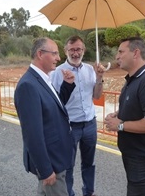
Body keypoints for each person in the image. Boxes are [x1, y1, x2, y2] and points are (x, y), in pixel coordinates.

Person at [104, 36, 145, 196]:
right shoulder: (134, 79)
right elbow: (137, 106)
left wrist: (120, 125)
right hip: (135, 154)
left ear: (136, 53)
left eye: (121, 52)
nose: (117, 57)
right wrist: (119, 114)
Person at [14, 37, 76, 196]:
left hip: (57, 155)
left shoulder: (43, 78)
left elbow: (54, 108)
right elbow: (32, 134)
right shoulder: (28, 85)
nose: (59, 58)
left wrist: (67, 86)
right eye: (54, 53)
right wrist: (45, 169)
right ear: (40, 54)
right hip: (51, 161)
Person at [50, 35, 105, 196]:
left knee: (89, 163)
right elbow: (55, 102)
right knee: (68, 165)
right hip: (69, 126)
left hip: (89, 123)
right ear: (65, 51)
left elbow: (96, 95)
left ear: (84, 50)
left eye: (78, 49)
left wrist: (100, 77)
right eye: (72, 49)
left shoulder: (90, 69)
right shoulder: (57, 72)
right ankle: (69, 193)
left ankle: (89, 191)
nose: (75, 53)